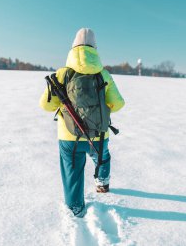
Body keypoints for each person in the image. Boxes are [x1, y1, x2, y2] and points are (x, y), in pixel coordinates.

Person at [39, 28, 125, 217]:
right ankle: (102, 183)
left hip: (69, 137)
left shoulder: (61, 75)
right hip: (99, 134)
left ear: (72, 48)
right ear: (95, 49)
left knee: (73, 172)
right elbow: (118, 104)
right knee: (102, 156)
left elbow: (45, 105)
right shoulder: (104, 74)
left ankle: (76, 208)